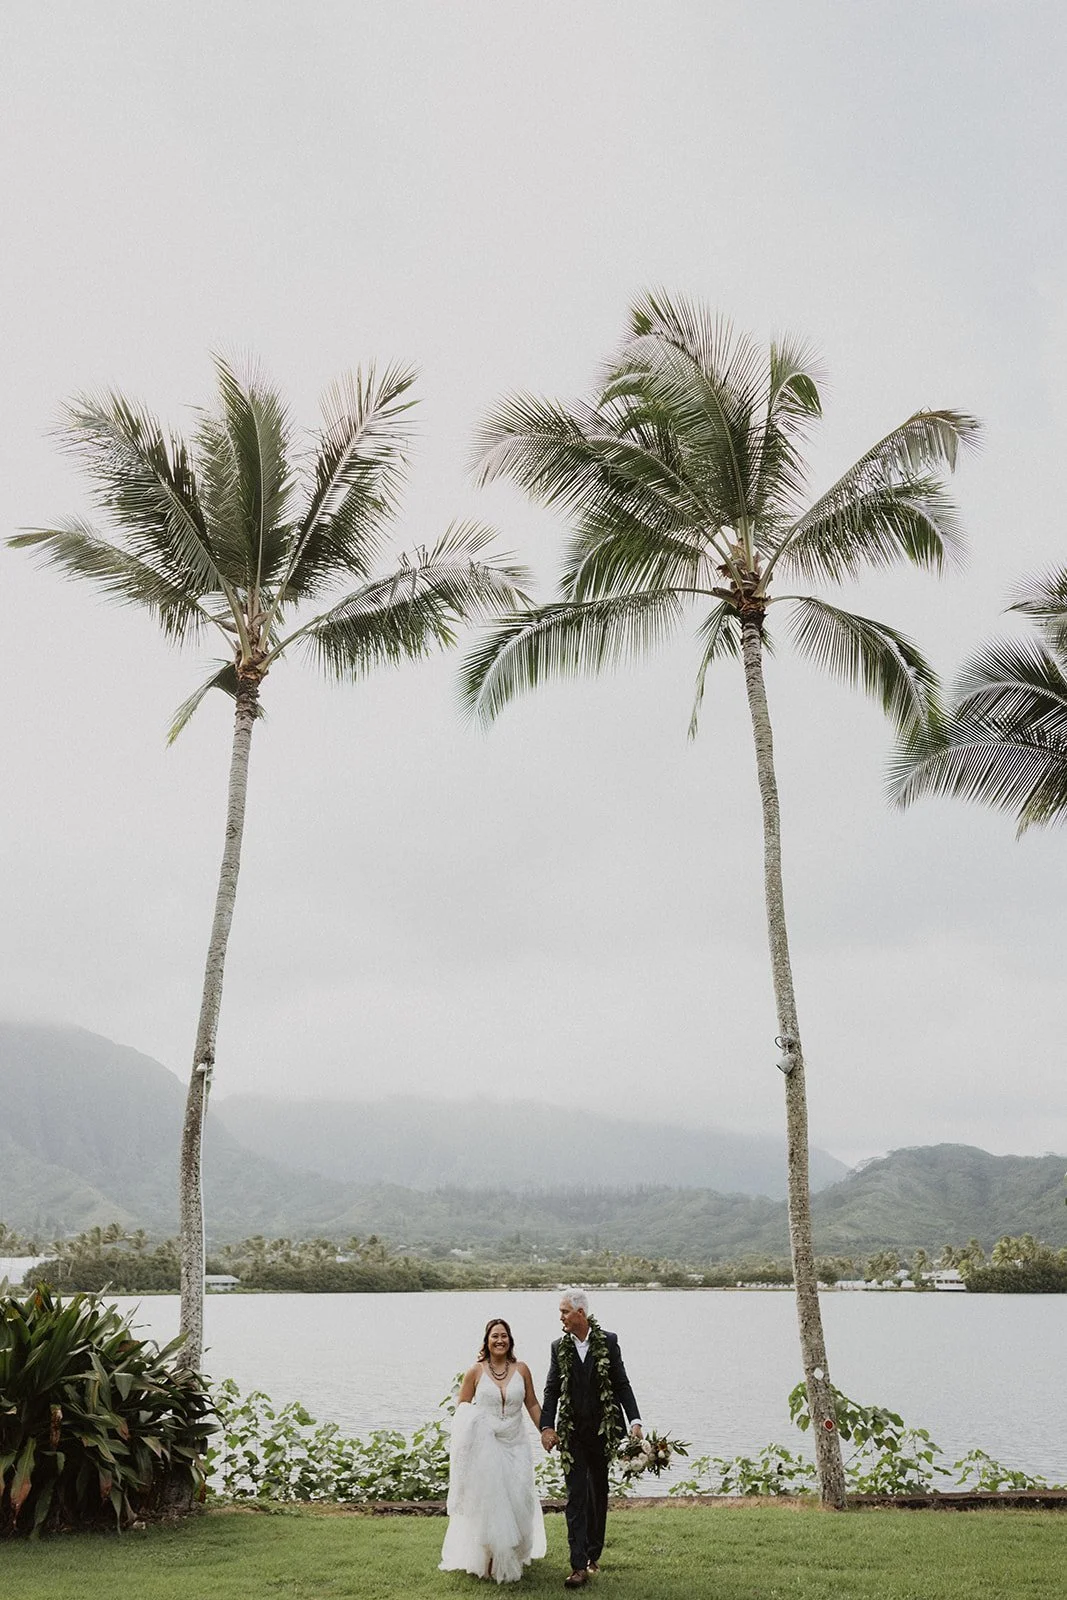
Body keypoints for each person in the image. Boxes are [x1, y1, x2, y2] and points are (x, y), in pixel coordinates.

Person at [539, 1290, 642, 1589]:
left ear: (580, 1313)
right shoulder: (558, 1347)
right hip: (571, 1434)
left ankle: (593, 1553)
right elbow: (551, 1390)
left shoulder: (608, 1342)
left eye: (564, 1311)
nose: (560, 1317)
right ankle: (577, 1565)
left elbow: (621, 1383)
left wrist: (635, 1421)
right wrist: (547, 1427)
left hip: (602, 1432)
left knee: (598, 1492)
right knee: (576, 1496)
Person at [440, 1317, 547, 1584]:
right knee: (491, 1502)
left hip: (517, 1443)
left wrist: (546, 1430)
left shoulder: (522, 1369)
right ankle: (489, 1560)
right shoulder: (475, 1372)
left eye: (504, 1336)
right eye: (495, 1336)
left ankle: (512, 1553)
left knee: (518, 1499)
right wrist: (476, 1427)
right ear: (487, 1341)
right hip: (486, 1445)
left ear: (510, 1340)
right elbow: (462, 1407)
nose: (500, 1340)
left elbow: (532, 1404)